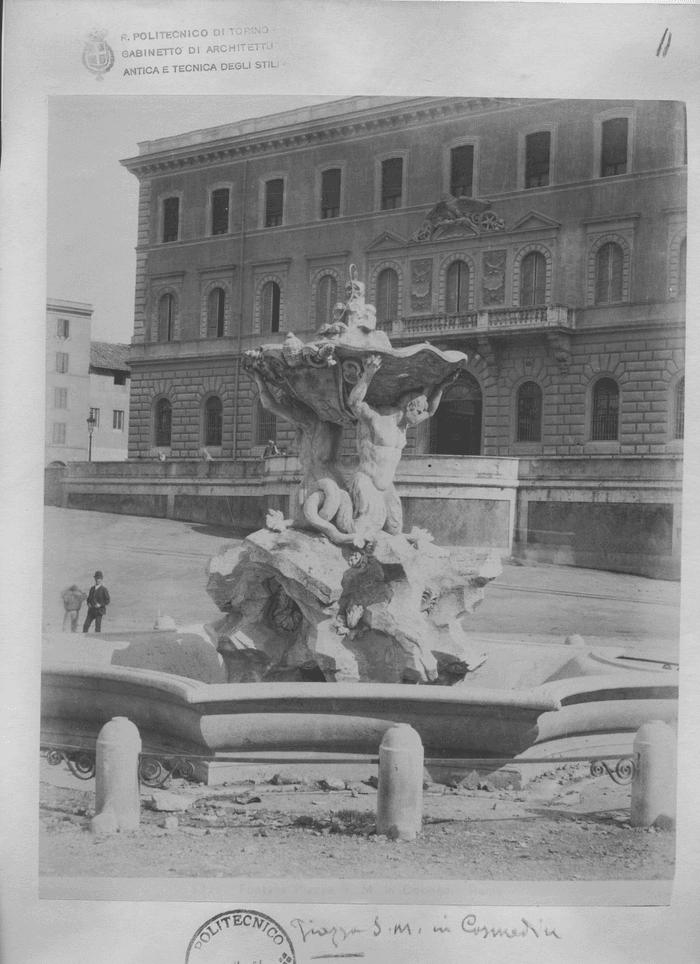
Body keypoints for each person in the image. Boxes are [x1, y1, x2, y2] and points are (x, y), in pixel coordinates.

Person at [348, 355, 459, 535]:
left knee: (394, 528)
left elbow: (430, 411)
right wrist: (368, 374)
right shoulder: (378, 419)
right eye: (417, 411)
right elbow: (354, 403)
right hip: (367, 483)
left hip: (386, 488)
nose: (419, 416)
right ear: (409, 407)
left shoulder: (404, 426)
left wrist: (442, 386)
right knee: (367, 530)